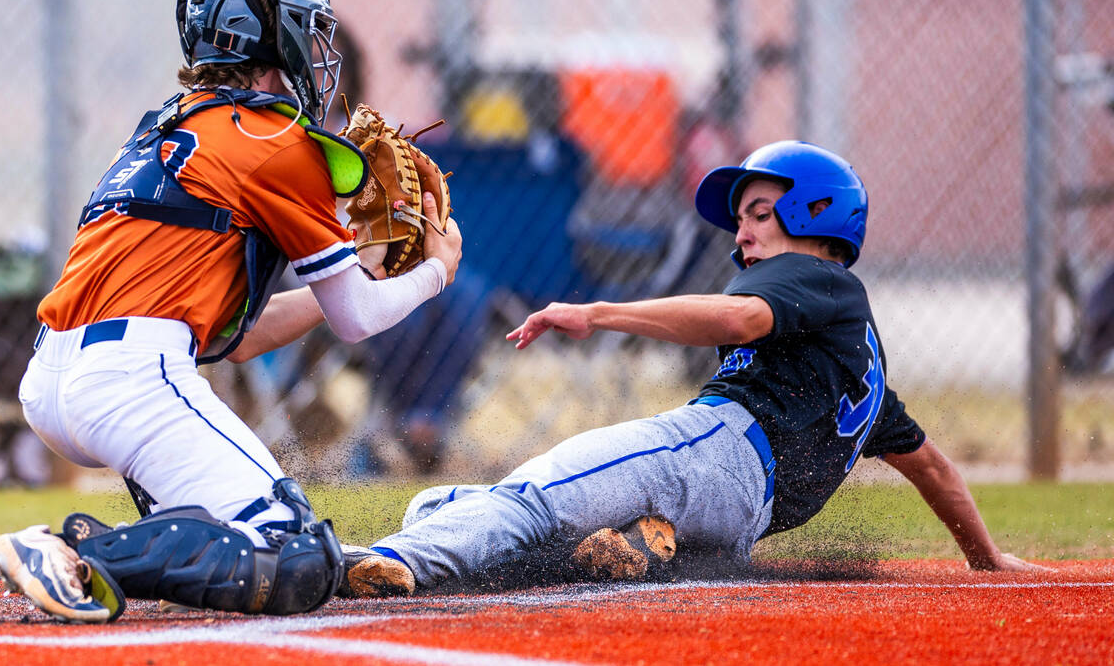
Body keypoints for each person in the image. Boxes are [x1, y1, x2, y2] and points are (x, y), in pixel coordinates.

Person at [0, 0, 462, 623]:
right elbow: (357, 319)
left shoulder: (161, 130)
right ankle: (74, 552)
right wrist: (436, 272)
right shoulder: (273, 139)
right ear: (278, 41)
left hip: (59, 377)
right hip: (132, 380)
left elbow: (234, 338)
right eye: (309, 34)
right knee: (300, 560)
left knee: (279, 539)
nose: (319, 58)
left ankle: (225, 530)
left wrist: (369, 271)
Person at [335, 140, 1044, 599]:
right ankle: (651, 542)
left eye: (761, 213)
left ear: (818, 214)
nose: (742, 233)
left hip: (708, 451)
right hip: (738, 525)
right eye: (741, 219)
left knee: (525, 501)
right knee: (446, 510)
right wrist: (985, 559)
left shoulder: (813, 277)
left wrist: (599, 312)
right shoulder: (855, 361)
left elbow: (737, 319)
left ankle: (390, 561)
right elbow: (934, 467)